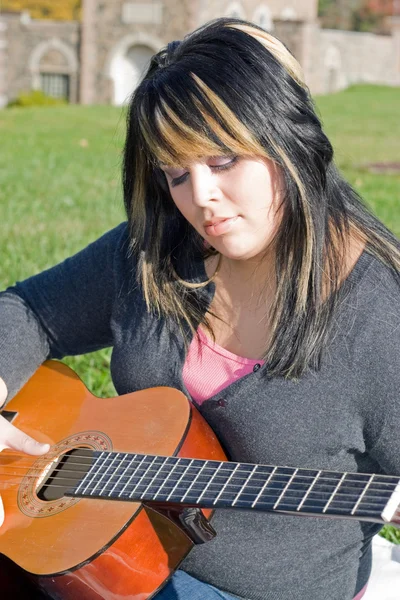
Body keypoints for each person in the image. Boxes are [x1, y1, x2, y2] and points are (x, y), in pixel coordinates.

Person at [0, 16, 399, 600]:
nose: (201, 199)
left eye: (223, 161)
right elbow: (30, 309)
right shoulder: (156, 251)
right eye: (177, 175)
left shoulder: (381, 319)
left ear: (285, 138)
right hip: (102, 556)